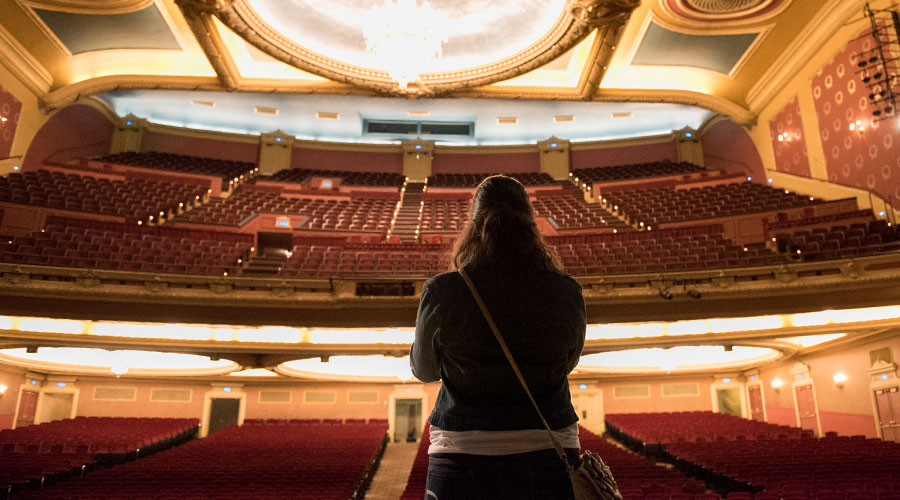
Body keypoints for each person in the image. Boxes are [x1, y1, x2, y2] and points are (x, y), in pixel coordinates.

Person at [411, 175, 586, 500]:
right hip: (551, 450)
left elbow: (425, 370)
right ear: (530, 224)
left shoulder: (443, 290)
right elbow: (568, 362)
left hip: (462, 449)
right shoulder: (566, 291)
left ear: (474, 224)